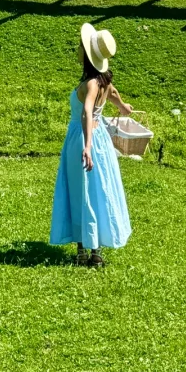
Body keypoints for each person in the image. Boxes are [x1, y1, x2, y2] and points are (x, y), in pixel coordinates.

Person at [49, 23, 133, 267]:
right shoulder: (102, 80)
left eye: (80, 47)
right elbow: (113, 91)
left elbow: (86, 111)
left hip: (83, 139)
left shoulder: (91, 84)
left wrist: (86, 146)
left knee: (81, 192)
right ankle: (93, 249)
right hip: (101, 141)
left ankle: (85, 252)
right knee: (97, 190)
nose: (77, 49)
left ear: (86, 55)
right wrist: (122, 106)